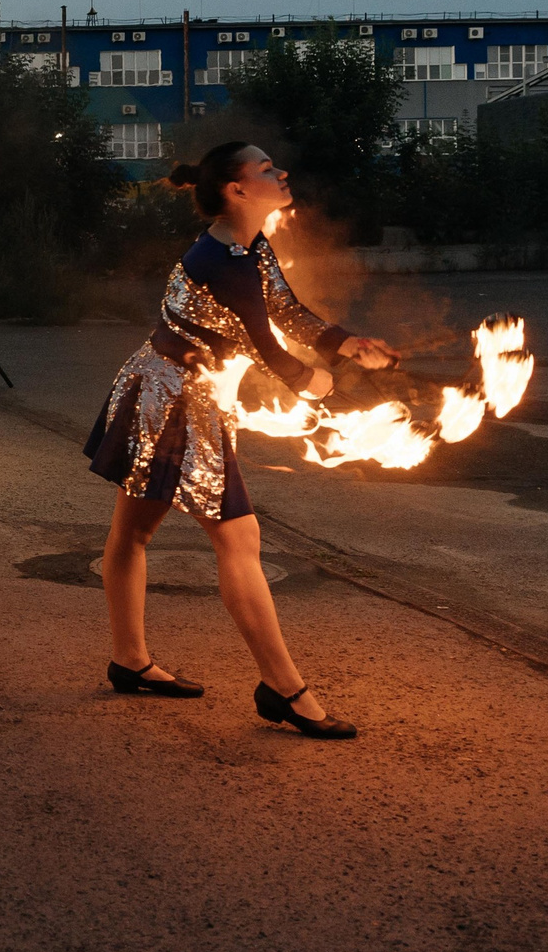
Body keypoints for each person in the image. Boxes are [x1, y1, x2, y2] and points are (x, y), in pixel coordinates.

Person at [83, 142, 398, 740]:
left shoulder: (247, 245)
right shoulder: (222, 259)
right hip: (176, 398)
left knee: (134, 529)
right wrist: (313, 381)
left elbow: (286, 307)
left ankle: (129, 659)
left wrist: (347, 343)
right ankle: (284, 688)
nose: (281, 172)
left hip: (167, 387)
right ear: (237, 190)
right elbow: (264, 344)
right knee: (239, 536)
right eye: (265, 169)